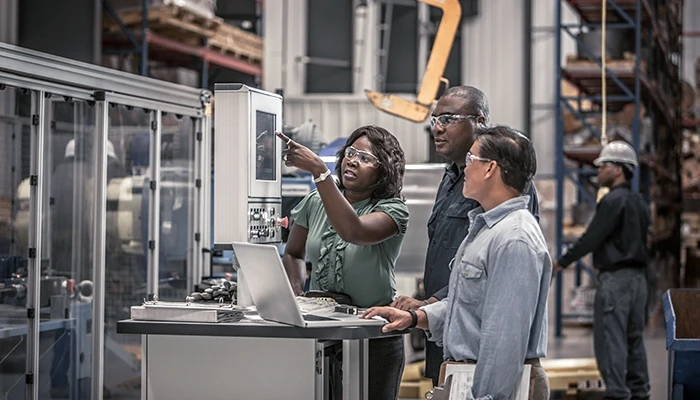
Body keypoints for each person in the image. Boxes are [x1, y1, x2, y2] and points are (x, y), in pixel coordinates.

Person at [363, 125, 551, 400]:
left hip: (496, 388)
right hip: (469, 378)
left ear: (490, 169)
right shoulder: (485, 228)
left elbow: (504, 340)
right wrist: (416, 318)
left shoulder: (515, 239)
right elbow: (471, 305)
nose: (464, 168)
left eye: (471, 160)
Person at [390, 85, 540, 385]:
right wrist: (424, 309)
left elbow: (504, 325)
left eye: (448, 119)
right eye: (435, 120)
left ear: (480, 122)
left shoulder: (512, 223)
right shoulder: (451, 179)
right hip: (448, 335)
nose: (437, 128)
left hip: (477, 351)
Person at [277, 125, 409, 400]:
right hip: (320, 331)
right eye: (351, 153)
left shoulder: (393, 209)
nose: (352, 160)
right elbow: (293, 253)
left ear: (383, 170)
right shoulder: (315, 200)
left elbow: (355, 231)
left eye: (365, 158)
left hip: (372, 334)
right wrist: (298, 295)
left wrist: (319, 172)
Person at [552, 140, 650, 400]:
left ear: (619, 169)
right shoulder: (639, 202)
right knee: (634, 338)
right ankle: (640, 392)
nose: (598, 171)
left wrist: (561, 262)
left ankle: (617, 393)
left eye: (604, 166)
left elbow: (591, 238)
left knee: (611, 338)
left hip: (616, 280)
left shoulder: (612, 201)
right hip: (639, 281)